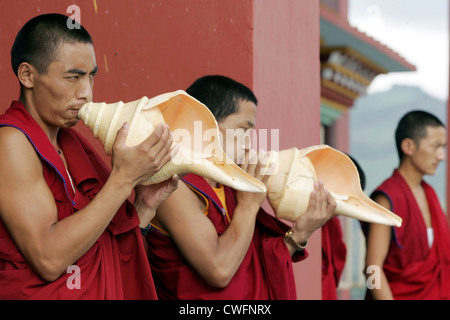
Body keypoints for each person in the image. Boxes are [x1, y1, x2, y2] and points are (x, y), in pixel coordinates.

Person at [0, 13, 178, 299]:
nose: (86, 93)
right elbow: (49, 259)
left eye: (91, 76)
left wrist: (144, 206)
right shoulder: (10, 142)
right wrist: (122, 180)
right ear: (27, 75)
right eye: (73, 77)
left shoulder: (72, 145)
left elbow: (101, 250)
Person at [146, 75, 336, 299]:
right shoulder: (172, 187)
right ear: (207, 124)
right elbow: (220, 270)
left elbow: (253, 268)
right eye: (243, 129)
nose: (249, 144)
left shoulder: (230, 187)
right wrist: (248, 205)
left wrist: (301, 233)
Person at [364, 110, 450, 300]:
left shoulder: (430, 195)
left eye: (443, 147)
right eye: (436, 147)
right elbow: (371, 269)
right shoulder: (387, 198)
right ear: (408, 146)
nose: (441, 156)